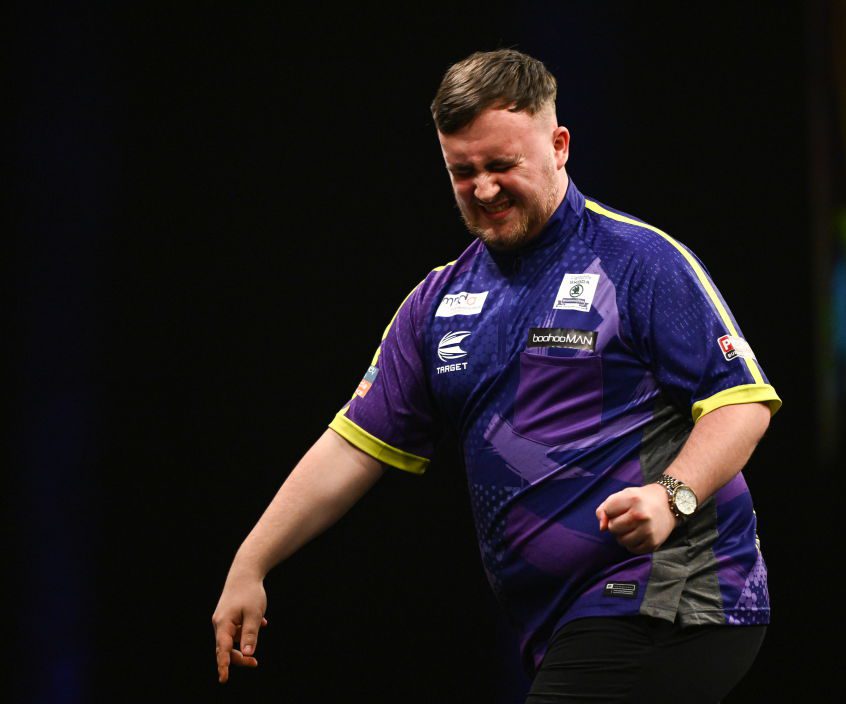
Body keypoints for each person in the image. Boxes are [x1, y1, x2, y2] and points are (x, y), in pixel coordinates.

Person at [212, 49, 781, 703]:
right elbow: (351, 445)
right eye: (463, 172)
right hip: (565, 625)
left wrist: (671, 496)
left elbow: (742, 404)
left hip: (675, 595)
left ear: (559, 145)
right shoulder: (436, 304)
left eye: (502, 166)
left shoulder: (637, 261)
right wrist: (251, 562)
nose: (483, 189)